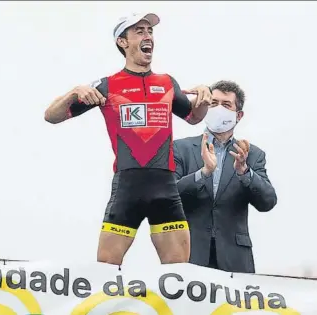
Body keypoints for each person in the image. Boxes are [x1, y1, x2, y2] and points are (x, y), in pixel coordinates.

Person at [44, 13, 213, 265]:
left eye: (150, 31)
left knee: (178, 277)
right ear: (122, 42)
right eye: (139, 31)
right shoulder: (107, 86)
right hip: (127, 187)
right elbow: (51, 116)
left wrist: (204, 100)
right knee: (106, 272)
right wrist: (73, 92)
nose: (148, 36)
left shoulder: (166, 82)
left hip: (165, 187)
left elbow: (193, 117)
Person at [173, 80, 277, 273]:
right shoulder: (181, 148)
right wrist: (203, 173)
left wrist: (245, 172)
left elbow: (268, 202)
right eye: (213, 103)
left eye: (226, 105)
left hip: (235, 259)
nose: (218, 109)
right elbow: (169, 195)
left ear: (238, 115)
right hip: (190, 254)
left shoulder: (252, 154)